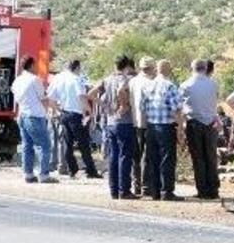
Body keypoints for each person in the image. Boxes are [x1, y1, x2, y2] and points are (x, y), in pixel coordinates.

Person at [88, 55, 135, 199]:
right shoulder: (125, 79)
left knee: (113, 156)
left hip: (110, 122)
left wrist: (104, 106)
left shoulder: (107, 79)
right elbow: (121, 90)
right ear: (126, 66)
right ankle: (124, 190)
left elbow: (91, 94)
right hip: (124, 122)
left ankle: (114, 190)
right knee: (125, 156)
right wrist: (124, 106)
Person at [47, 59, 100, 179]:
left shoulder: (58, 78)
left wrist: (58, 110)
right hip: (76, 114)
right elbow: (81, 96)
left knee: (67, 143)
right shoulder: (76, 79)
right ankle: (91, 171)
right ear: (76, 68)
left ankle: (72, 169)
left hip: (64, 114)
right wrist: (89, 111)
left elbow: (50, 97)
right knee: (84, 144)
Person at [140, 59, 183, 201]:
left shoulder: (148, 85)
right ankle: (167, 191)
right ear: (169, 70)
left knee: (153, 159)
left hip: (151, 126)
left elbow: (143, 108)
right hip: (166, 126)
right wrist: (181, 129)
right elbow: (177, 109)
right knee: (167, 159)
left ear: (157, 70)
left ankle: (155, 191)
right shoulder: (170, 86)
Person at [11, 55, 57, 184]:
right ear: (31, 65)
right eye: (35, 65)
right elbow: (43, 99)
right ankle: (44, 175)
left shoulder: (17, 80)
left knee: (27, 146)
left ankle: (28, 174)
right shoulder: (34, 80)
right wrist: (52, 109)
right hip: (35, 116)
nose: (36, 67)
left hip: (22, 115)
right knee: (44, 145)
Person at [180, 58, 221, 199]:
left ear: (192, 68)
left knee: (198, 158)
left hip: (194, 123)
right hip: (210, 124)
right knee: (211, 156)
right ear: (205, 68)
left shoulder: (186, 85)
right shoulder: (213, 84)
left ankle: (202, 190)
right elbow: (215, 99)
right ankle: (213, 190)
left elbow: (180, 106)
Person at [128, 56, 155, 196]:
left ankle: (136, 185)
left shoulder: (132, 81)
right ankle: (146, 186)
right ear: (152, 68)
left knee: (136, 156)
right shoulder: (151, 82)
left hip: (134, 122)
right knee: (147, 156)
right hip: (148, 122)